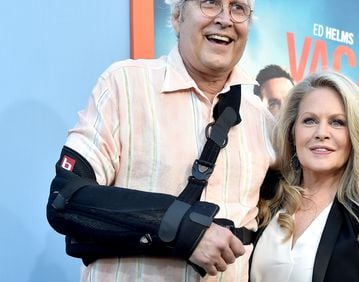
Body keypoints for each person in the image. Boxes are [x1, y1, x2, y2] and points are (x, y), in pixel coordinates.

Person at [46, 0, 276, 281]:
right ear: (178, 17)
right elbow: (65, 198)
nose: (225, 19)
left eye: (238, 8)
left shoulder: (265, 122)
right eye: (210, 3)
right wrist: (183, 229)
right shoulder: (125, 84)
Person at [250, 71, 359, 282]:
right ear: (292, 131)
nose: (322, 132)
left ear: (355, 134)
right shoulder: (265, 195)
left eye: (337, 122)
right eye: (309, 121)